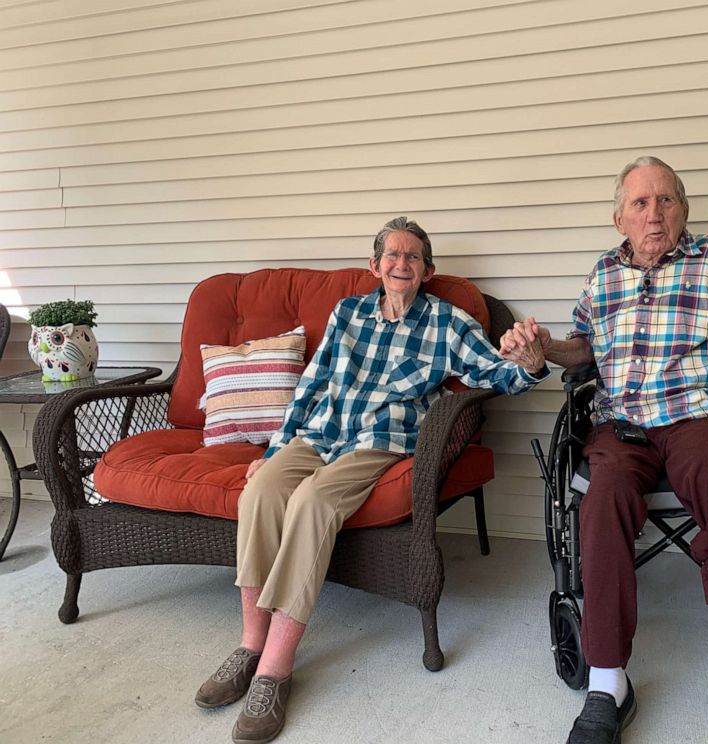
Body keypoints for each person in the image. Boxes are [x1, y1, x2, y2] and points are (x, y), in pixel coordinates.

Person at [196, 216, 548, 744]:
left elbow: (497, 373)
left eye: (413, 257)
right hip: (319, 433)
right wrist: (272, 452)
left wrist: (532, 364)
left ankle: (274, 669)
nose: (401, 263)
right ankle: (250, 643)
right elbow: (311, 385)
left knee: (313, 501)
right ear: (375, 265)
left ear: (428, 271)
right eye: (392, 255)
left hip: (381, 439)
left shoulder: (447, 324)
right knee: (262, 490)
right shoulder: (348, 313)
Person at [499, 157, 708, 744]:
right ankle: (608, 683)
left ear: (684, 210)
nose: (654, 213)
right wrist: (540, 350)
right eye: (640, 203)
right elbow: (582, 351)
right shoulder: (603, 274)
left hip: (696, 411)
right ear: (619, 219)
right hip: (622, 423)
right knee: (602, 499)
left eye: (666, 200)